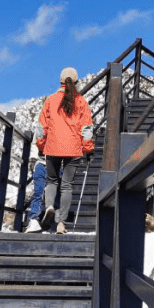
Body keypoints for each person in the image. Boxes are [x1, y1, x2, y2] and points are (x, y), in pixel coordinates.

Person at [37, 67, 95, 234]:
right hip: (73, 148)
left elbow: (41, 126)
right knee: (67, 186)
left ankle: (49, 206)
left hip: (53, 146)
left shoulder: (51, 100)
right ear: (76, 82)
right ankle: (61, 223)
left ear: (60, 82)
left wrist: (41, 145)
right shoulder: (81, 102)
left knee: (52, 181)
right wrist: (88, 148)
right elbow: (87, 128)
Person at [23, 149, 49, 232]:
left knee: (39, 193)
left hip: (48, 163)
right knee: (39, 192)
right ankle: (34, 220)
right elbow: (35, 142)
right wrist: (33, 159)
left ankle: (35, 218)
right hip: (45, 163)